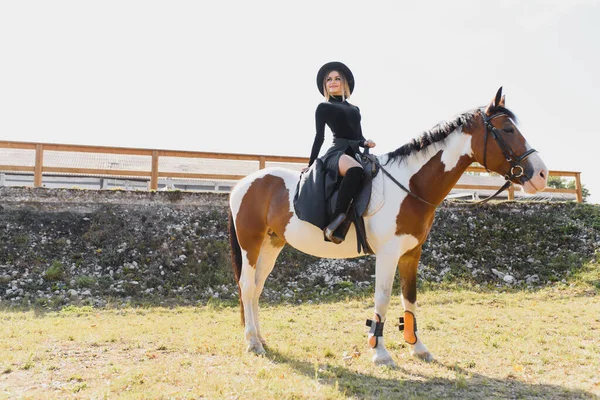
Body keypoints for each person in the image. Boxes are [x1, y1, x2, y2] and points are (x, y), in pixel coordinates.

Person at [306, 61, 376, 244]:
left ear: (344, 83)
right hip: (336, 153)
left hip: (354, 152)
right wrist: (311, 164)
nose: (333, 82)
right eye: (328, 79)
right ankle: (336, 222)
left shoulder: (355, 109)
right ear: (325, 85)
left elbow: (358, 136)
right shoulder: (324, 107)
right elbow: (319, 137)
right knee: (355, 171)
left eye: (337, 78)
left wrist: (365, 142)